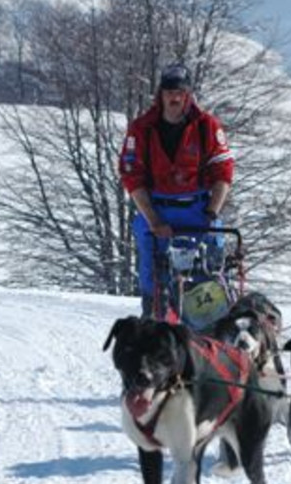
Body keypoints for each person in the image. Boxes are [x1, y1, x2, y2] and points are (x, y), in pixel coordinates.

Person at [119, 62, 234, 319]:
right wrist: (154, 220)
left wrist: (211, 213)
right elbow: (132, 177)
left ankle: (212, 325)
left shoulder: (207, 127)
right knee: (152, 276)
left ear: (188, 95)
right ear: (160, 95)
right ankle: (153, 319)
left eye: (179, 92)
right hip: (157, 209)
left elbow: (223, 172)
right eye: (169, 91)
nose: (174, 97)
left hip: (198, 209)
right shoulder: (142, 129)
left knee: (211, 267)